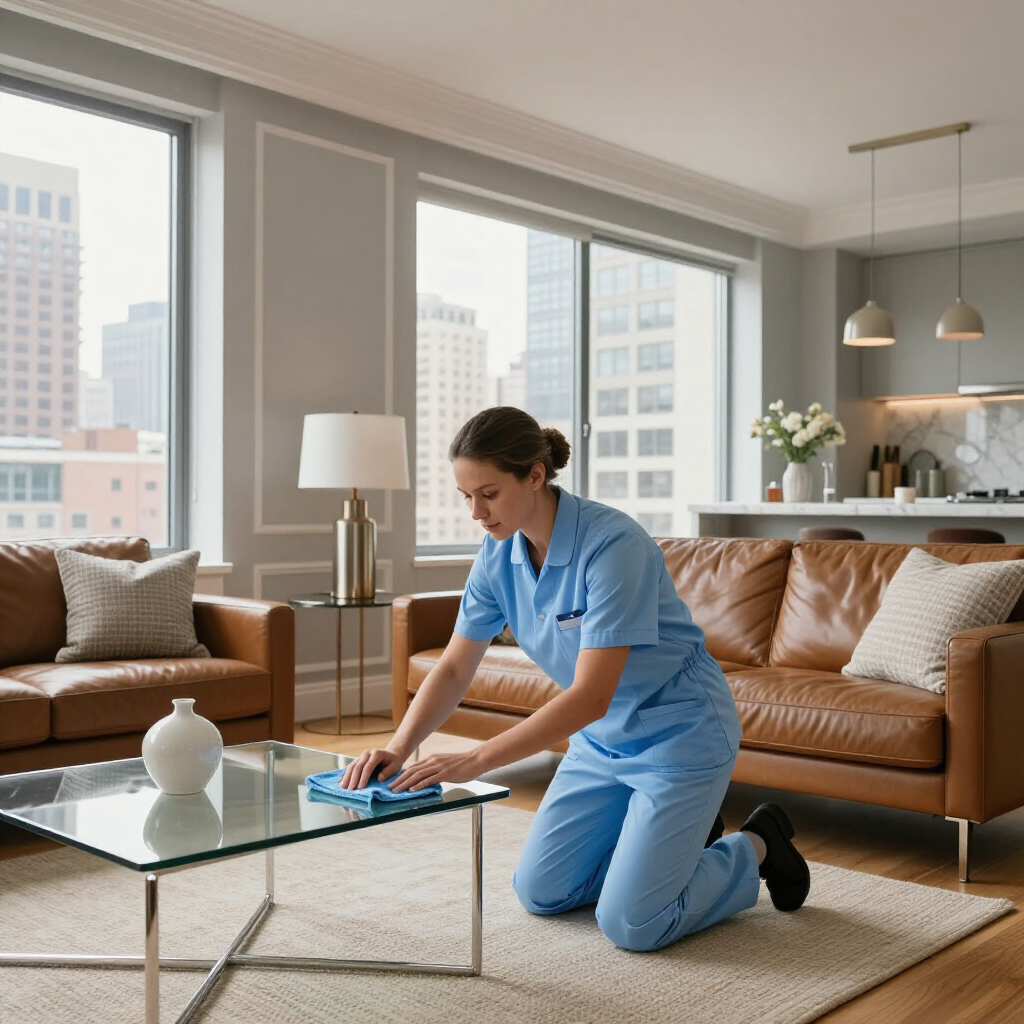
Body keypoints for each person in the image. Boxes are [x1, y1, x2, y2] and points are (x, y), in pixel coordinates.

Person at [341, 406, 809, 951]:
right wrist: (402, 746)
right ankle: (671, 848)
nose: (476, 512)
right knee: (540, 891)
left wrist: (472, 761)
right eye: (466, 496)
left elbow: (589, 695)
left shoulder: (614, 546)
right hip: (601, 744)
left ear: (535, 475)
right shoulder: (497, 554)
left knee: (633, 924)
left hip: (680, 734)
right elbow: (452, 665)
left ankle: (754, 844)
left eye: (488, 494)